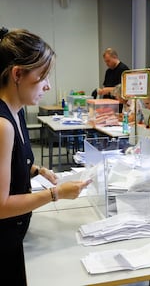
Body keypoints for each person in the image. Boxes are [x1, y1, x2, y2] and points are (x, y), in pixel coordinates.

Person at [0, 27, 91, 285]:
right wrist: (57, 194)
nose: (48, 85)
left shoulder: (16, 113)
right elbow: (1, 205)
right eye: (42, 76)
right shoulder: (3, 124)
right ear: (17, 74)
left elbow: (10, 161)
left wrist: (37, 170)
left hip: (19, 233)